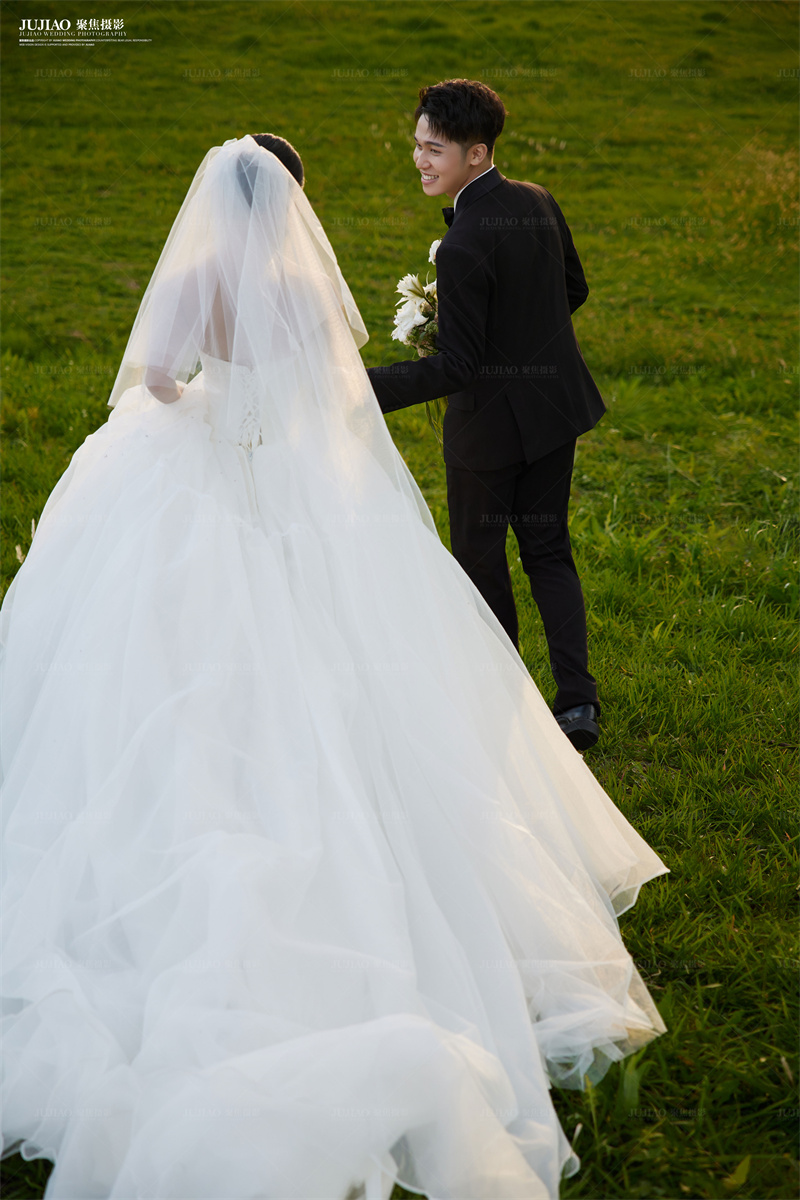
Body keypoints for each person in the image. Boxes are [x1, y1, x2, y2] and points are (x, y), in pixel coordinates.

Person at [0, 134, 668, 1200]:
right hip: (296, 482)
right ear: (292, 205)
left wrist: (205, 401)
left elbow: (159, 381)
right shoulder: (301, 282)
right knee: (348, 646)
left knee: (164, 644)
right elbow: (330, 393)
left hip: (206, 468)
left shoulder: (197, 276)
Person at [367, 79, 606, 752]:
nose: (420, 160)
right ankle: (578, 703)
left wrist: (358, 386)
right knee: (549, 552)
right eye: (417, 145)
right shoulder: (536, 199)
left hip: (486, 432)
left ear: (476, 153)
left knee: (479, 558)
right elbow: (574, 288)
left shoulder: (465, 243)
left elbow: (457, 368)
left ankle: (505, 701)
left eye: (434, 149)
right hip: (554, 412)